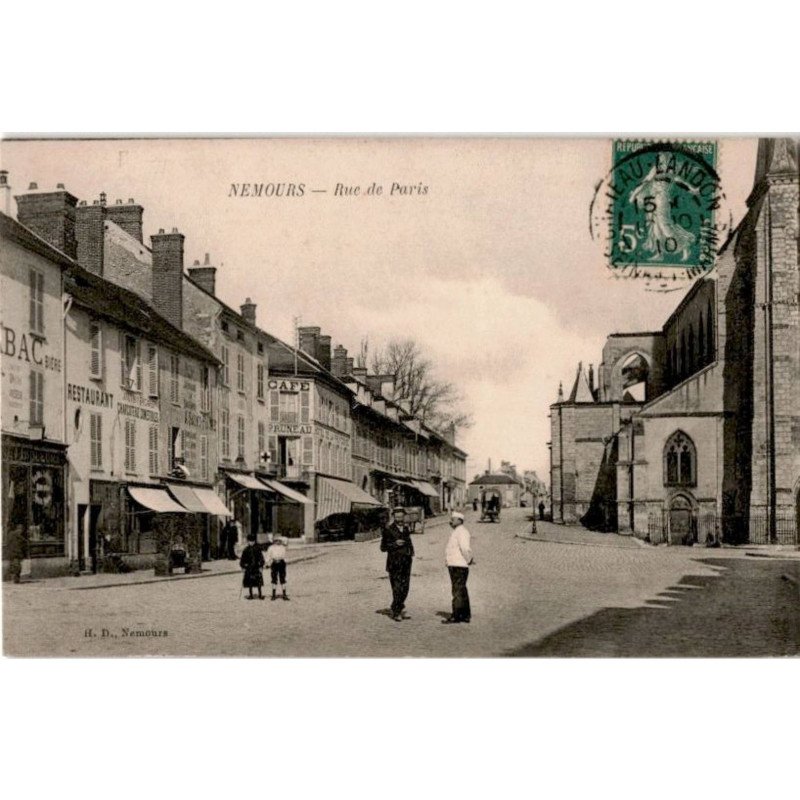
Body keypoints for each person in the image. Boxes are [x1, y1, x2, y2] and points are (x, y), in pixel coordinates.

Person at [380, 506, 414, 621]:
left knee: (405, 587)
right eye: (397, 516)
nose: (399, 518)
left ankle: (397, 606)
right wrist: (395, 544)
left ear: (404, 516)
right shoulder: (388, 529)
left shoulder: (406, 528)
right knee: (397, 588)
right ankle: (397, 611)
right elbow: (383, 547)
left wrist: (411, 553)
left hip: (406, 562)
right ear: (394, 517)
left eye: (401, 516)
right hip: (394, 563)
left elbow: (409, 542)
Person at [443, 511, 473, 624]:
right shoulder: (457, 531)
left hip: (458, 565)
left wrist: (468, 559)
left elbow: (465, 548)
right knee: (461, 590)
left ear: (460, 520)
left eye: (453, 519)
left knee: (457, 590)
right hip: (455, 564)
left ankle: (456, 615)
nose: (451, 521)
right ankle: (465, 615)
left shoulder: (461, 532)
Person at [239, 532, 265, 600]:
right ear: (248, 541)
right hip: (249, 567)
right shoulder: (246, 550)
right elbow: (242, 559)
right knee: (250, 582)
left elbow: (261, 558)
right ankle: (251, 595)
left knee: (258, 581)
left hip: (256, 567)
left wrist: (261, 566)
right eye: (250, 541)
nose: (251, 542)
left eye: (253, 541)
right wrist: (243, 566)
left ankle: (260, 594)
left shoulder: (258, 549)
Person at [266, 534, 290, 601]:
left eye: (279, 540)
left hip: (281, 563)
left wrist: (283, 540)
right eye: (276, 540)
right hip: (274, 563)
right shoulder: (271, 548)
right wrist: (267, 563)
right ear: (273, 541)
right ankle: (273, 595)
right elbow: (268, 556)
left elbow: (286, 540)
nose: (277, 542)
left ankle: (284, 594)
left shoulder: (283, 547)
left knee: (282, 578)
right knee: (274, 578)